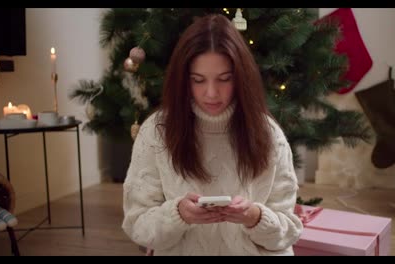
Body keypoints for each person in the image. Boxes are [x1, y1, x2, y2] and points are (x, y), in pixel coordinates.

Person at [122, 13, 303, 256]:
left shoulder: (268, 135)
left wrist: (255, 217)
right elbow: (137, 225)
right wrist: (179, 214)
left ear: (240, 78)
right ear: (183, 80)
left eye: (224, 79)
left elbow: (289, 231)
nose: (211, 93)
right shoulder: (157, 132)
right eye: (198, 80)